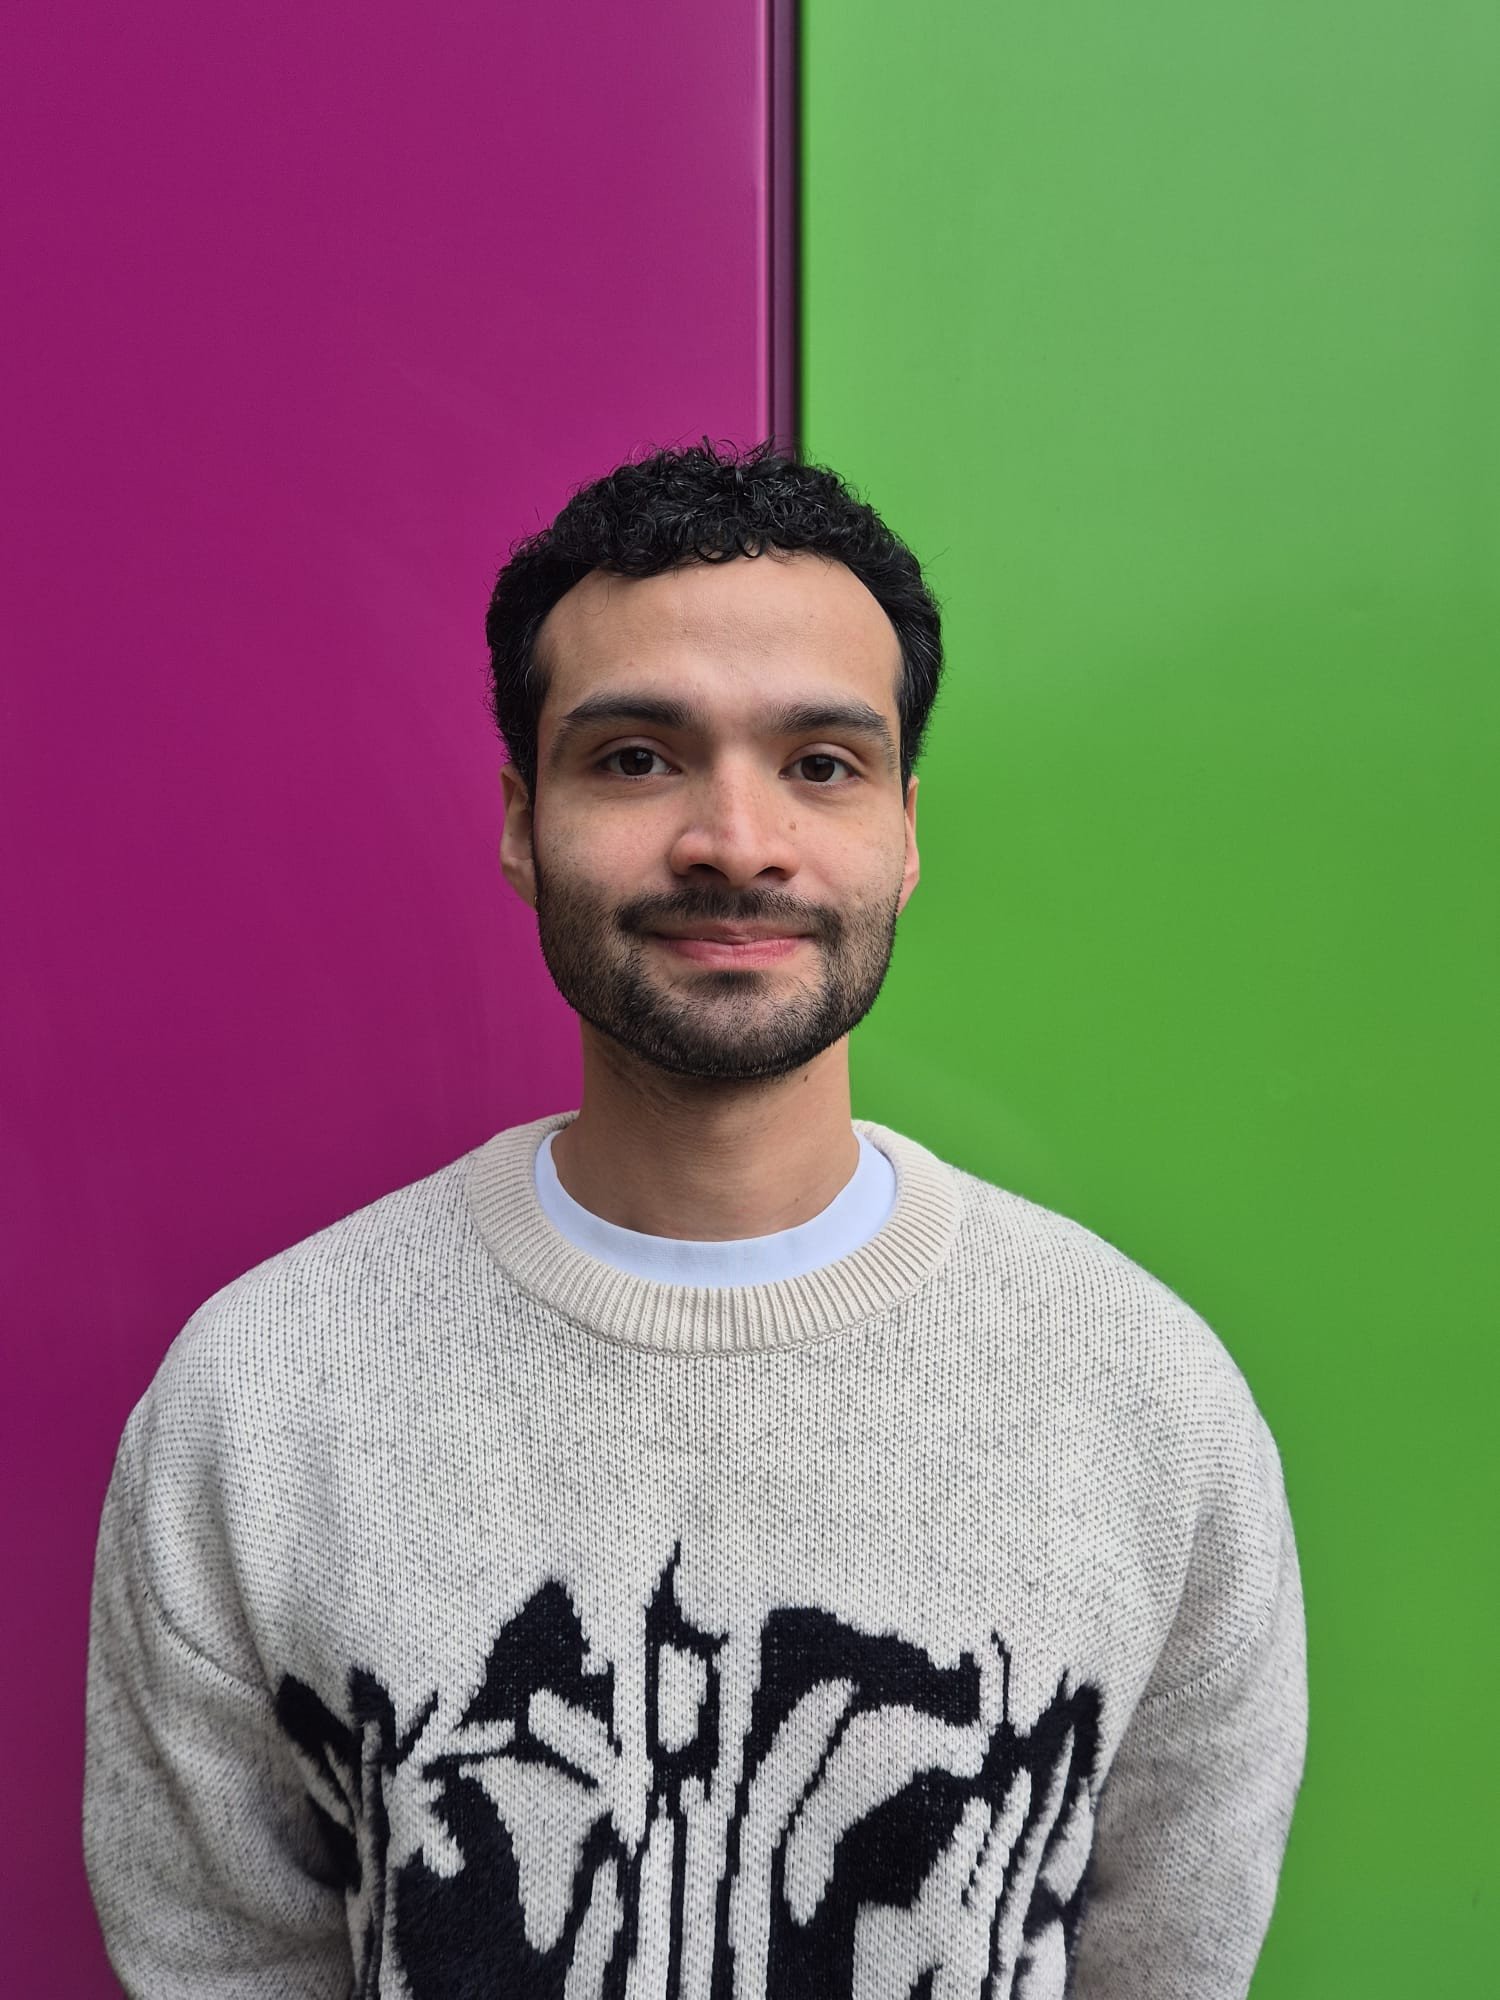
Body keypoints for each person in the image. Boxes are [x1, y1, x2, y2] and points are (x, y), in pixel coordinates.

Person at [84, 439, 1307, 1998]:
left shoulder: (1145, 1398)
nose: (735, 840)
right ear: (523, 821)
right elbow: (219, 1960)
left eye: (821, 763)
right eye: (636, 758)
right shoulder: (259, 1400)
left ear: (906, 833)